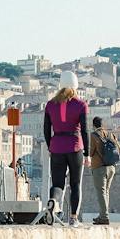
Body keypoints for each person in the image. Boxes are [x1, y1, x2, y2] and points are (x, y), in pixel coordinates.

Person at [42, 70, 89, 225]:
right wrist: (87, 153)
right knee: (75, 184)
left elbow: (46, 129)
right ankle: (74, 218)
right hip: (75, 147)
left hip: (56, 147)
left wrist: (51, 146)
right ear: (76, 86)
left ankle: (53, 203)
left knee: (57, 184)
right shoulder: (81, 105)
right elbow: (85, 130)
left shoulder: (50, 105)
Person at [88, 116, 119, 226]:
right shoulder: (110, 134)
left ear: (93, 125)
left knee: (101, 192)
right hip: (111, 167)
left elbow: (91, 152)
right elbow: (118, 149)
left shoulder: (94, 135)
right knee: (106, 192)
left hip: (99, 168)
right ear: (103, 124)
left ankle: (104, 217)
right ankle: (102, 215)